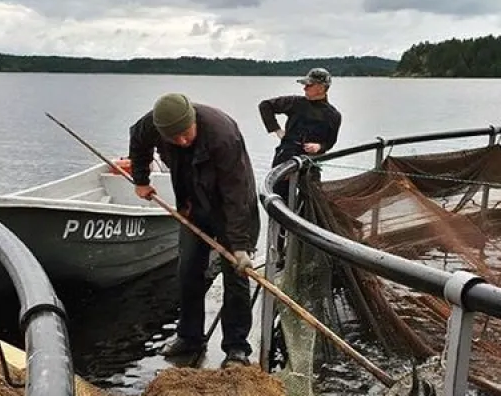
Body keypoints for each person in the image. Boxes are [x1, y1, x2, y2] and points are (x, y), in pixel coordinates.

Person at [129, 93, 260, 368]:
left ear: (193, 120)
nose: (182, 141)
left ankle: (236, 347)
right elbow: (138, 141)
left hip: (231, 209)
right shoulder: (152, 125)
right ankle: (189, 337)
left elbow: (236, 194)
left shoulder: (223, 135)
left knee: (235, 276)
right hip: (192, 207)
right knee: (188, 270)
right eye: (173, 138)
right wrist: (141, 180)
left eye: (185, 134)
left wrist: (239, 245)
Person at [258, 67, 342, 202]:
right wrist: (277, 130)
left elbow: (330, 142)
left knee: (312, 199)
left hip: (310, 162)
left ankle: (302, 221)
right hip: (286, 156)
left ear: (321, 88)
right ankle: (278, 223)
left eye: (309, 85)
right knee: (278, 198)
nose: (304, 89)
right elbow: (265, 106)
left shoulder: (334, 115)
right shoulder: (296, 103)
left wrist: (319, 147)